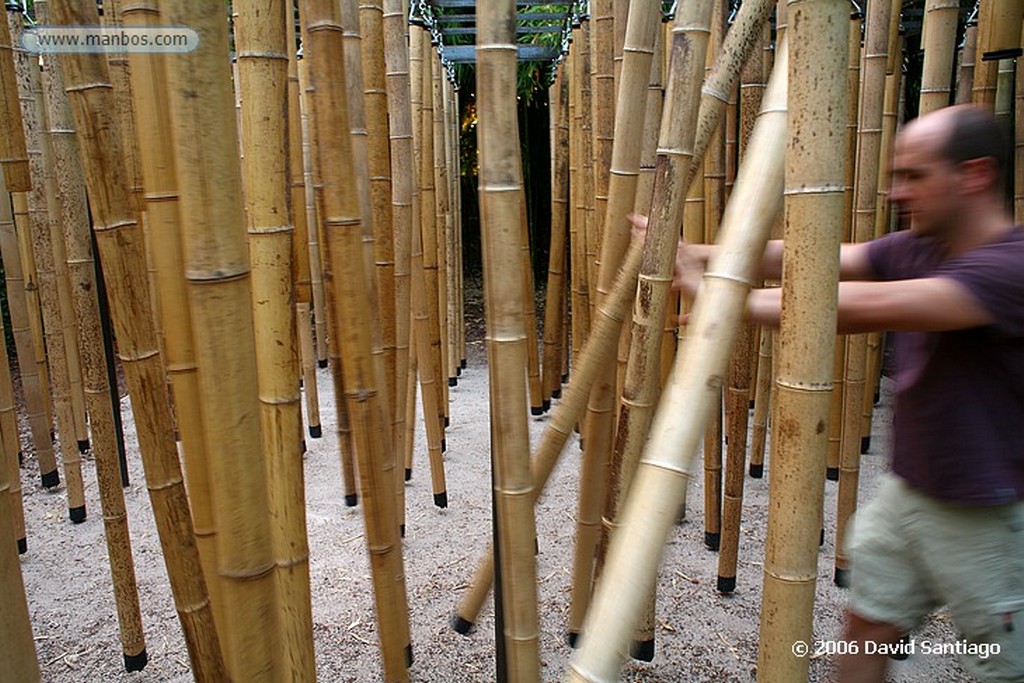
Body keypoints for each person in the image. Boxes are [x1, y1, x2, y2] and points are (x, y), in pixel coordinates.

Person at [658, 104, 1024, 682]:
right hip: (913, 494)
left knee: (1004, 667)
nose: (896, 190)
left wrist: (723, 299)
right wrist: (700, 255)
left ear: (974, 175)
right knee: (865, 633)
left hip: (989, 514)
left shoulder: (1010, 268)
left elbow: (849, 307)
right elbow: (810, 260)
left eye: (915, 176)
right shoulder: (921, 246)